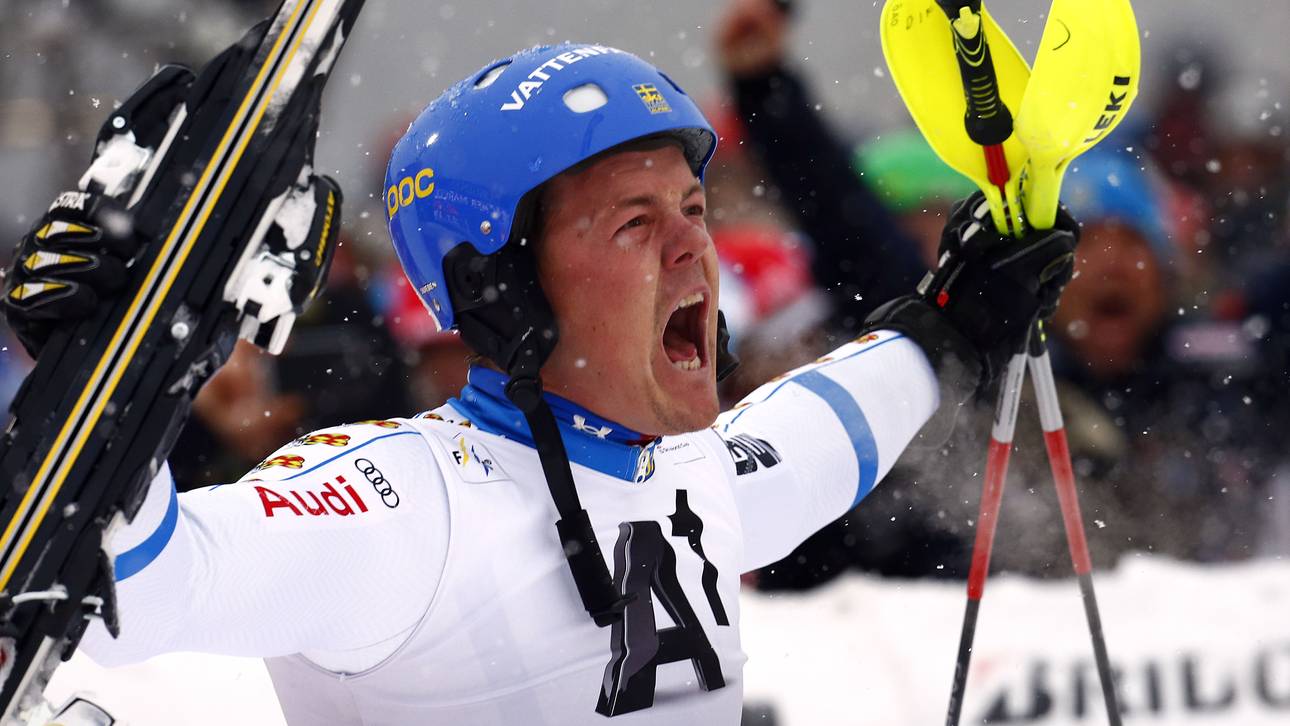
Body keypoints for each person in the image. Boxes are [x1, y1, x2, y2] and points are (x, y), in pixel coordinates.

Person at [4, 44, 1076, 724]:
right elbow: (135, 597)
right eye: (634, 224)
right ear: (504, 294)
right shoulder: (404, 509)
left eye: (693, 212)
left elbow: (815, 436)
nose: (694, 254)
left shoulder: (691, 472)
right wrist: (92, 376)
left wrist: (946, 331)